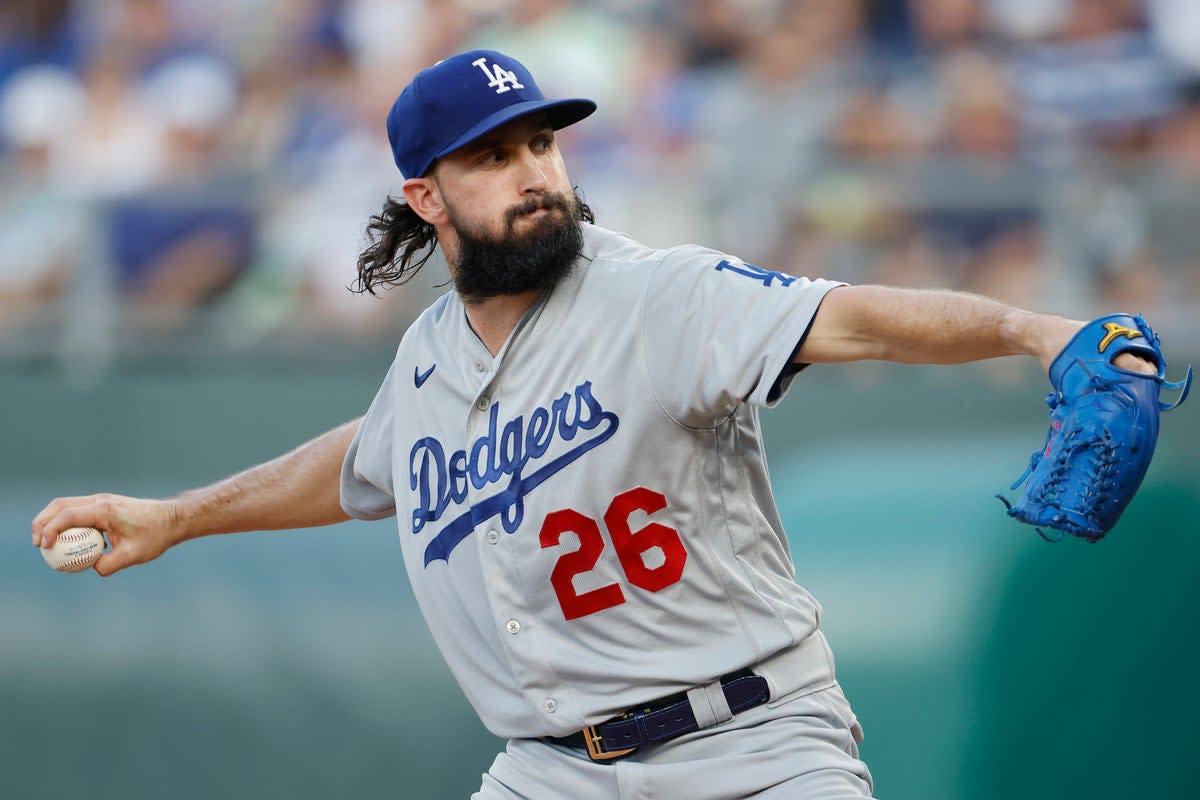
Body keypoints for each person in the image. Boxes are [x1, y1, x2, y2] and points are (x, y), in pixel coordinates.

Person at [32, 50, 1157, 799]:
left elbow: (850, 316)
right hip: (549, 773)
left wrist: (1031, 328)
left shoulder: (656, 293)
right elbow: (368, 461)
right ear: (426, 194)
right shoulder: (425, 359)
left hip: (755, 747)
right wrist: (175, 517)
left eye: (542, 145)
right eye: (493, 156)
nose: (535, 175)